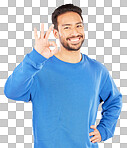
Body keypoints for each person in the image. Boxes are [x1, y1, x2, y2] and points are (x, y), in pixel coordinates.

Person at [4, 4, 122, 148]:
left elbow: (114, 100)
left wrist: (104, 130)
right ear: (56, 33)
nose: (75, 32)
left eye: (78, 26)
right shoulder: (39, 67)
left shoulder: (97, 70)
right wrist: (35, 57)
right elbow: (11, 92)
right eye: (67, 27)